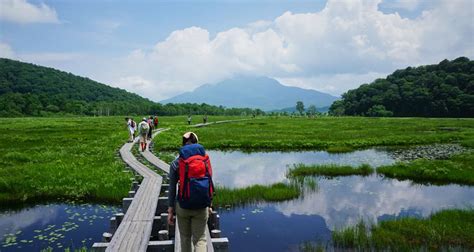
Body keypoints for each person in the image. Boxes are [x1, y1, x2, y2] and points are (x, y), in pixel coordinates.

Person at [168, 132, 214, 252]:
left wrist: (170, 211)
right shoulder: (205, 161)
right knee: (200, 239)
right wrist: (209, 204)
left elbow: (172, 189)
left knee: (185, 238)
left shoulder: (175, 164)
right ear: (197, 143)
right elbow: (209, 183)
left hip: (183, 206)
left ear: (183, 145)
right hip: (202, 206)